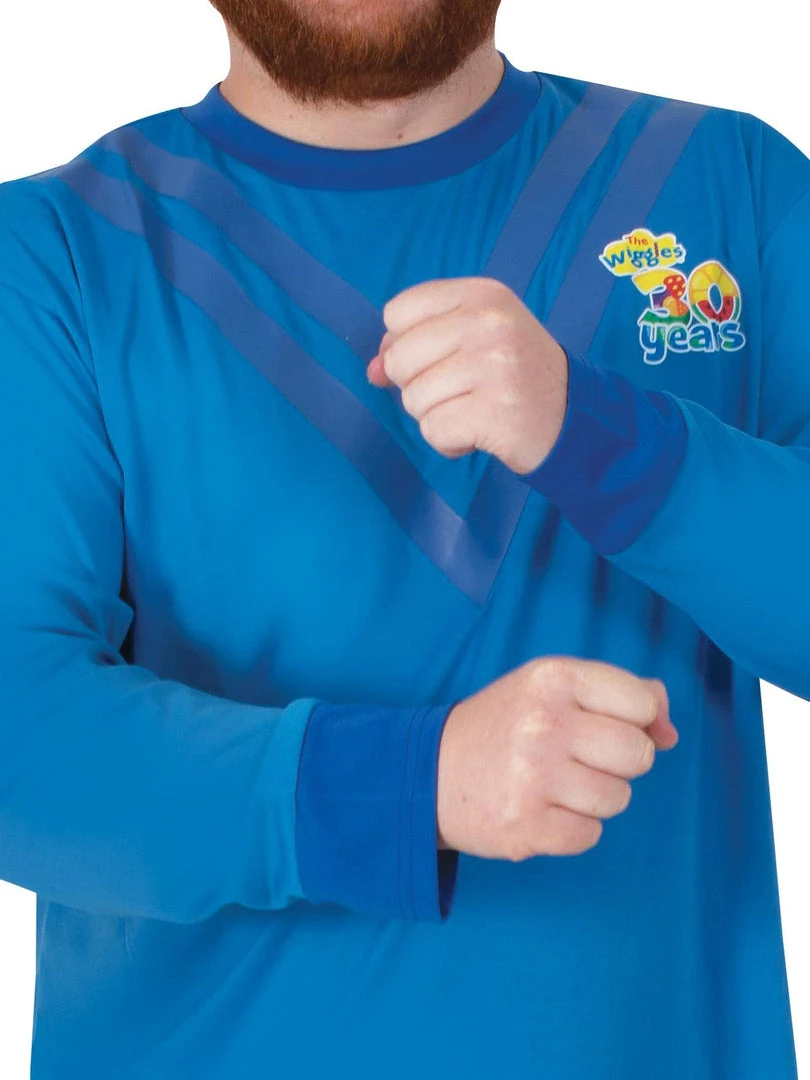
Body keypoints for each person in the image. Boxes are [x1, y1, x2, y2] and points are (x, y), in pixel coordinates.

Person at [0, 0, 807, 1076]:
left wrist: (601, 437)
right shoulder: (50, 256)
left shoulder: (728, 184)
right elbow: (22, 730)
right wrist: (413, 784)